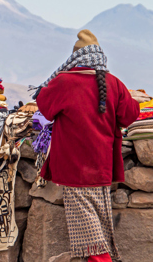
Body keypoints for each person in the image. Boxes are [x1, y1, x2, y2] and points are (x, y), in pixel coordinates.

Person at [35, 30, 140, 262]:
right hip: (102, 165)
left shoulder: (63, 82)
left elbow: (44, 106)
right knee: (99, 221)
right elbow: (130, 114)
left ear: (75, 58)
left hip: (73, 167)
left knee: (86, 229)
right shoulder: (114, 84)